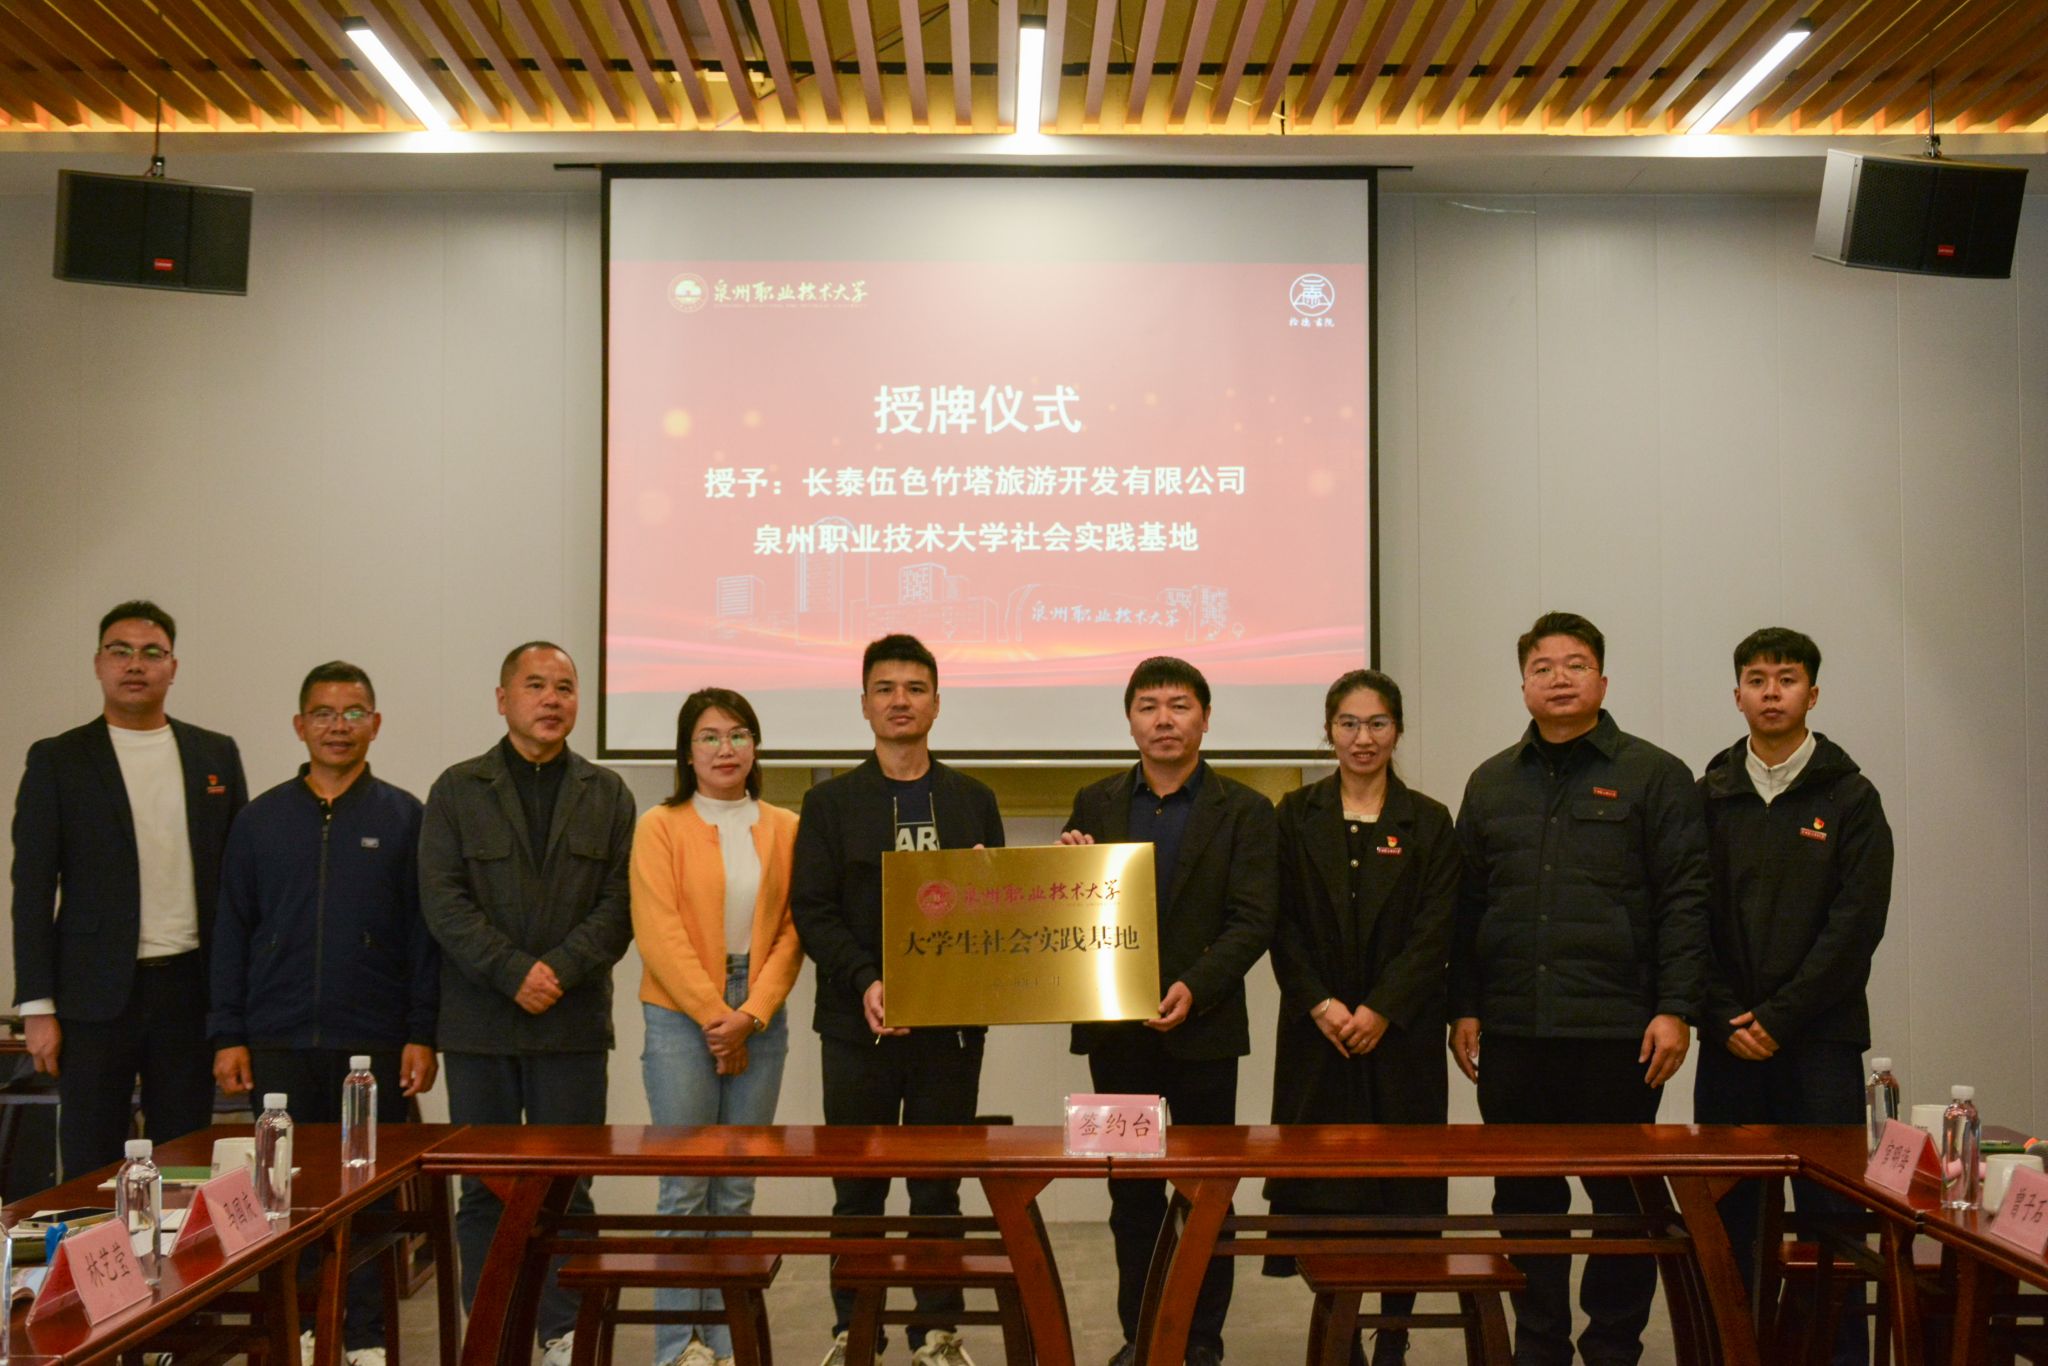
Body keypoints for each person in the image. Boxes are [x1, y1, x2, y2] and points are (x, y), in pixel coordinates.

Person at [1447, 611, 1710, 1366]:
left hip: (1618, 1030)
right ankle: (1539, 1346)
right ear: (1523, 684)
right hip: (1513, 1028)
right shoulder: (1491, 781)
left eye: (1575, 665)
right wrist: (1463, 1005)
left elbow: (1686, 900)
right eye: (1542, 667)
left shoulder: (1655, 775)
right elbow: (1467, 905)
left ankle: (1612, 1347)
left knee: (1621, 1200)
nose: (1558, 679)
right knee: (1525, 1199)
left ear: (1603, 679)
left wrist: (1676, 1009)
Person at [210, 660, 439, 1366]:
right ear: (300, 725)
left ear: (376, 723)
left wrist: (421, 1033)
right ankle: (304, 1329)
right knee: (287, 1194)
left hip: (373, 1043)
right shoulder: (260, 820)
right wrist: (228, 1034)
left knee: (368, 1194)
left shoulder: (404, 817)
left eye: (353, 712)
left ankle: (365, 1336)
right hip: (277, 1040)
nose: (339, 726)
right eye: (324, 713)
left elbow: (423, 937)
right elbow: (232, 931)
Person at [789, 634, 1005, 1366]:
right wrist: (868, 982)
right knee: (858, 1189)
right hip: (858, 1024)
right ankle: (854, 1330)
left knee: (938, 1188)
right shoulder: (829, 803)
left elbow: (999, 912)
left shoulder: (974, 801)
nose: (901, 701)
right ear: (864, 705)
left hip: (951, 1030)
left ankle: (936, 1332)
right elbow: (813, 909)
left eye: (915, 688)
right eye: (886, 689)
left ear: (937, 703)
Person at [419, 641, 636, 1366]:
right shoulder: (457, 789)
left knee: (567, 1189)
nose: (551, 699)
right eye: (536, 685)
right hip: (480, 1025)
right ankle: (493, 1334)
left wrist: (558, 972)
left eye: (565, 687)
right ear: (502, 698)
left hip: (572, 1024)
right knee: (485, 1190)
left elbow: (620, 906)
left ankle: (564, 1334)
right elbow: (442, 901)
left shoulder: (607, 793)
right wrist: (513, 972)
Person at [1060, 656, 1278, 1366]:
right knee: (1129, 1195)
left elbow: (1253, 919)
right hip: (1114, 1035)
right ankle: (1142, 1337)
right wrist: (1065, 867)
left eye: (1179, 705)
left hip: (1205, 1031)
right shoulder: (1093, 803)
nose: (1164, 720)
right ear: (1129, 720)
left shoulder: (1245, 809)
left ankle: (1202, 1340)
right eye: (1148, 706)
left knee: (1206, 1194)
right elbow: (1068, 912)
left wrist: (1195, 986)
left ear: (1205, 719)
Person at [1693, 628, 1893, 1366]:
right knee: (1729, 1219)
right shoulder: (1709, 795)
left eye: (1786, 678)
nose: (1770, 692)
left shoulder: (1851, 797)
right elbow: (1687, 915)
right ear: (1737, 695)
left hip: (1819, 1044)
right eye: (1756, 679)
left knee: (1831, 1222)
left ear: (1813, 693)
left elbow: (1856, 925)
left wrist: (1779, 1018)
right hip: (1728, 1041)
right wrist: (1722, 1013)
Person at [10, 600, 248, 1176]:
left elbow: (240, 884)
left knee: (185, 1157)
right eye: (120, 651)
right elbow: (32, 888)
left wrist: (235, 1008)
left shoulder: (214, 753)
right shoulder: (59, 759)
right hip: (91, 995)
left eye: (151, 652)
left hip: (189, 987)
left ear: (173, 666)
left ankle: (182, 1240)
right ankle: (97, 1241)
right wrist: (37, 1007)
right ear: (98, 663)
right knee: (91, 1159)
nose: (135, 664)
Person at [1265, 670, 1456, 1366]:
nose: (1362, 738)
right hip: (1318, 1035)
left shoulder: (1428, 820)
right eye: (1348, 723)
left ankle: (1394, 1335)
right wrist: (1321, 1003)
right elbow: (1278, 921)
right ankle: (1339, 1338)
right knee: (1325, 1192)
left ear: (1397, 730)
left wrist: (1381, 1007)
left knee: (1403, 1193)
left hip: (1399, 1036)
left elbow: (1437, 929)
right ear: (1328, 731)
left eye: (1377, 723)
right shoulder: (1294, 814)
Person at [631, 688, 802, 1366]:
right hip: (680, 1015)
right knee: (684, 1187)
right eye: (709, 736)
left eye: (738, 734)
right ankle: (680, 1345)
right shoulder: (660, 825)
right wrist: (715, 1017)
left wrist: (751, 1015)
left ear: (755, 746)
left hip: (759, 1011)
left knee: (735, 1188)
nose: (725, 749)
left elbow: (793, 931)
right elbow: (657, 930)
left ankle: (728, 1340)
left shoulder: (786, 826)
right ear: (686, 752)